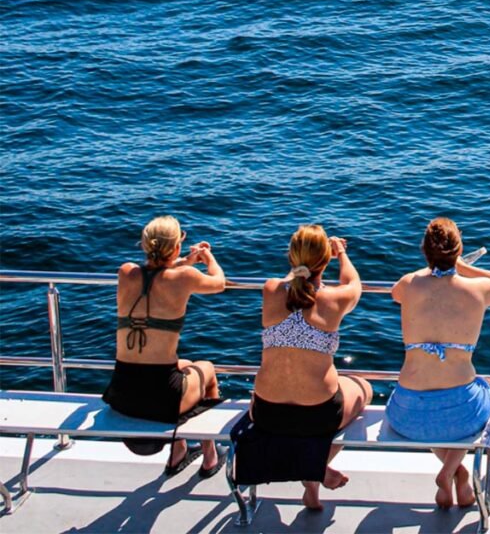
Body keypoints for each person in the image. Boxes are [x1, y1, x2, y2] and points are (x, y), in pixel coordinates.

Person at [386, 217, 490, 510]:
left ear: (425, 251)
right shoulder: (477, 290)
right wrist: (465, 267)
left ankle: (455, 473)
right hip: (461, 413)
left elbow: (396, 292)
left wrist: (433, 267)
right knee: (479, 399)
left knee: (438, 416)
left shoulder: (409, 284)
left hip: (407, 414)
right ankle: (450, 472)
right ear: (458, 252)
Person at [251, 224, 372, 510]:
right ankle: (315, 465)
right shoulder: (334, 299)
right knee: (363, 389)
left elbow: (292, 281)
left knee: (293, 420)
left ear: (292, 258)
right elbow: (354, 283)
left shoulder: (271, 290)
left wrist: (305, 264)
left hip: (266, 411)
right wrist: (341, 253)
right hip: (318, 415)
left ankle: (312, 476)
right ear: (325, 260)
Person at [103, 215, 226, 476]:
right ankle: (210, 456)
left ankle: (179, 451)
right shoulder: (185, 277)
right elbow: (219, 283)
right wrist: (207, 259)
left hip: (121, 392)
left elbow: (155, 272)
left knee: (185, 366)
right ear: (177, 246)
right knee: (207, 369)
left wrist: (183, 261)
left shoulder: (126, 272)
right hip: (161, 400)